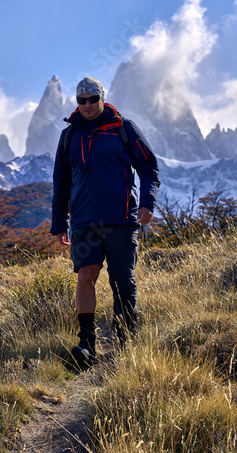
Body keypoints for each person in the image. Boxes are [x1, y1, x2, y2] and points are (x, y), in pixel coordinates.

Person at [50, 77, 160, 366]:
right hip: (84, 222)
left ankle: (127, 342)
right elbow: (60, 182)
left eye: (92, 99)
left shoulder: (123, 128)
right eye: (81, 101)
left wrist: (148, 202)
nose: (86, 105)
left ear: (102, 98)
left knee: (122, 279)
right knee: (86, 275)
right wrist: (59, 223)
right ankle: (86, 343)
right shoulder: (69, 136)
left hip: (122, 219)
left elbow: (149, 166)